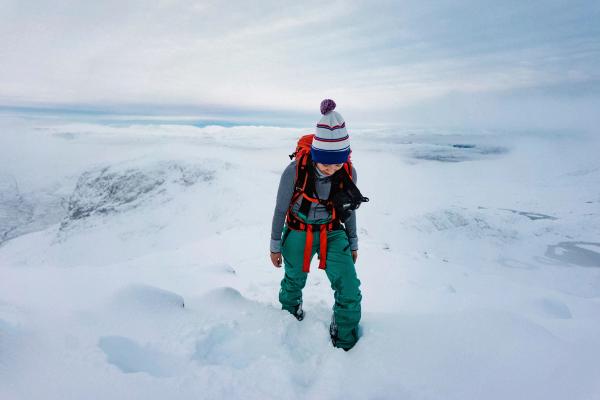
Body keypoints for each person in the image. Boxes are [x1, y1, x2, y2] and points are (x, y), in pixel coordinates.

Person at [270, 99, 364, 351]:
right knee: (293, 282)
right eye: (326, 162)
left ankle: (345, 337)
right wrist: (275, 245)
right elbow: (280, 210)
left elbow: (348, 209)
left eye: (338, 162)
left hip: (332, 232)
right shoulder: (294, 171)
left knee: (349, 287)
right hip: (299, 230)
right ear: (315, 155)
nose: (333, 169)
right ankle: (288, 320)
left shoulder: (347, 172)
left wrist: (353, 242)